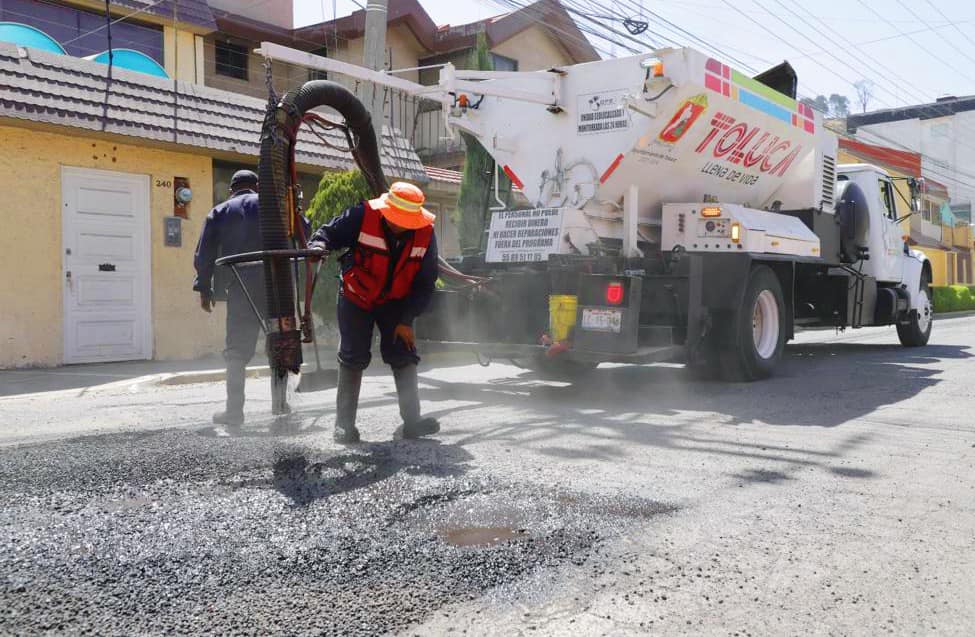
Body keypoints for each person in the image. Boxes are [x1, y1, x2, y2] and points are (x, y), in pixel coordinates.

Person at [309, 181, 440, 443]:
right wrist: (318, 245)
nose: (397, 224)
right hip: (357, 297)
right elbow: (327, 233)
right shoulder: (363, 215)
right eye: (394, 218)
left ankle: (412, 422)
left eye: (404, 220)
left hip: (395, 302)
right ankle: (344, 426)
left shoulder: (426, 234)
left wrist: (406, 320)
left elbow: (425, 284)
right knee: (353, 356)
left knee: (403, 353)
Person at [193, 169, 280, 427]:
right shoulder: (273, 205)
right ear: (256, 186)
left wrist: (204, 289)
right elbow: (303, 228)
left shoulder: (220, 211)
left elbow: (204, 255)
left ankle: (234, 412)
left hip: (241, 285)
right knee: (280, 343)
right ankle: (281, 405)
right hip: (277, 286)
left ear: (232, 190)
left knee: (236, 352)